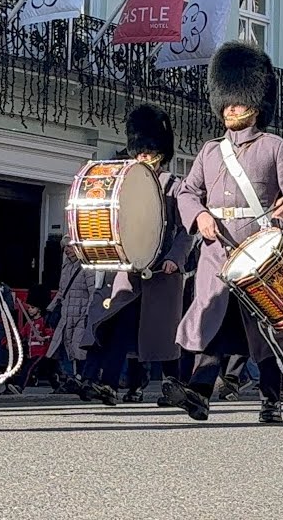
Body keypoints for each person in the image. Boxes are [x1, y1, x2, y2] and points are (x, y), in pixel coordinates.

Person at [166, 43, 283, 423]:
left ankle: (271, 399)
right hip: (218, 255)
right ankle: (200, 393)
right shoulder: (209, 152)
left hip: (258, 255)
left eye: (238, 103)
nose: (231, 109)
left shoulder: (274, 147)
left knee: (264, 330)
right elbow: (188, 192)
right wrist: (199, 215)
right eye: (227, 103)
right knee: (211, 323)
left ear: (255, 103)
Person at [79, 104, 189, 406]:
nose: (144, 158)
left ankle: (173, 386)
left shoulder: (175, 187)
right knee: (119, 324)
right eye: (140, 152)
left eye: (150, 152)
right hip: (129, 268)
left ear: (161, 154)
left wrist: (175, 258)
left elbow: (184, 230)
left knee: (163, 334)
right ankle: (108, 385)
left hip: (162, 271)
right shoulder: (125, 182)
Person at [46, 238, 98, 391]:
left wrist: (88, 313)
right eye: (65, 247)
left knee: (78, 347)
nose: (67, 250)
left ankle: (81, 377)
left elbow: (93, 292)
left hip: (81, 313)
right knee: (65, 346)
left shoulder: (87, 267)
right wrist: (50, 308)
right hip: (67, 313)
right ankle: (72, 378)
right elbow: (62, 292)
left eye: (70, 246)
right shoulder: (66, 266)